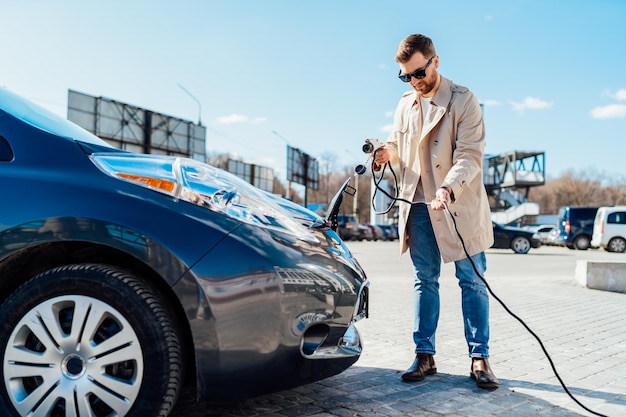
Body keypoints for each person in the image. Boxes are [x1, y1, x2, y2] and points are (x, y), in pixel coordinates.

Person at [373, 33, 498, 389]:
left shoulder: (464, 100)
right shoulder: (404, 104)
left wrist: (447, 187)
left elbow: (470, 155)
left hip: (457, 205)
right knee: (424, 280)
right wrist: (386, 155)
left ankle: (479, 357)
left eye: (418, 73)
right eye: (406, 76)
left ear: (435, 61)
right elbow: (398, 146)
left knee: (471, 281)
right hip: (417, 207)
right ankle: (424, 356)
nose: (414, 81)